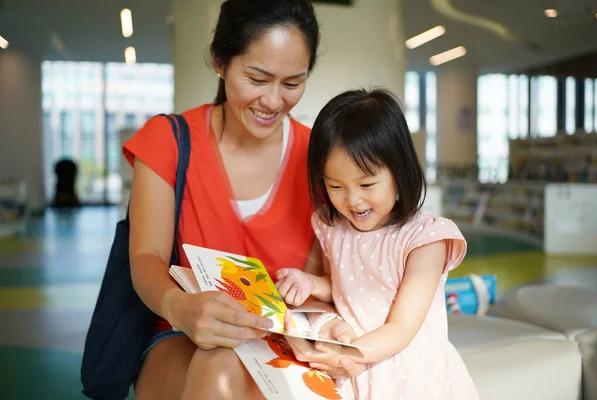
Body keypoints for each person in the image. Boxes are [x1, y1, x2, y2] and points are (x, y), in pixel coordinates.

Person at [122, 1, 364, 398]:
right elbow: (145, 257)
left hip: (286, 340)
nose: (273, 101)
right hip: (181, 332)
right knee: (220, 364)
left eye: (291, 84)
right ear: (220, 61)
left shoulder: (322, 158)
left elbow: (325, 277)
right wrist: (179, 307)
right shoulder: (168, 142)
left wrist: (316, 332)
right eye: (257, 78)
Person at [275, 88, 480, 399]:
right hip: (354, 371)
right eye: (335, 186)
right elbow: (343, 288)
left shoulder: (425, 239)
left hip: (411, 376)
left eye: (367, 184)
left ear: (399, 171)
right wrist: (310, 283)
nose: (353, 199)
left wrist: (348, 355)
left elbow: (402, 327)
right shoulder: (332, 227)